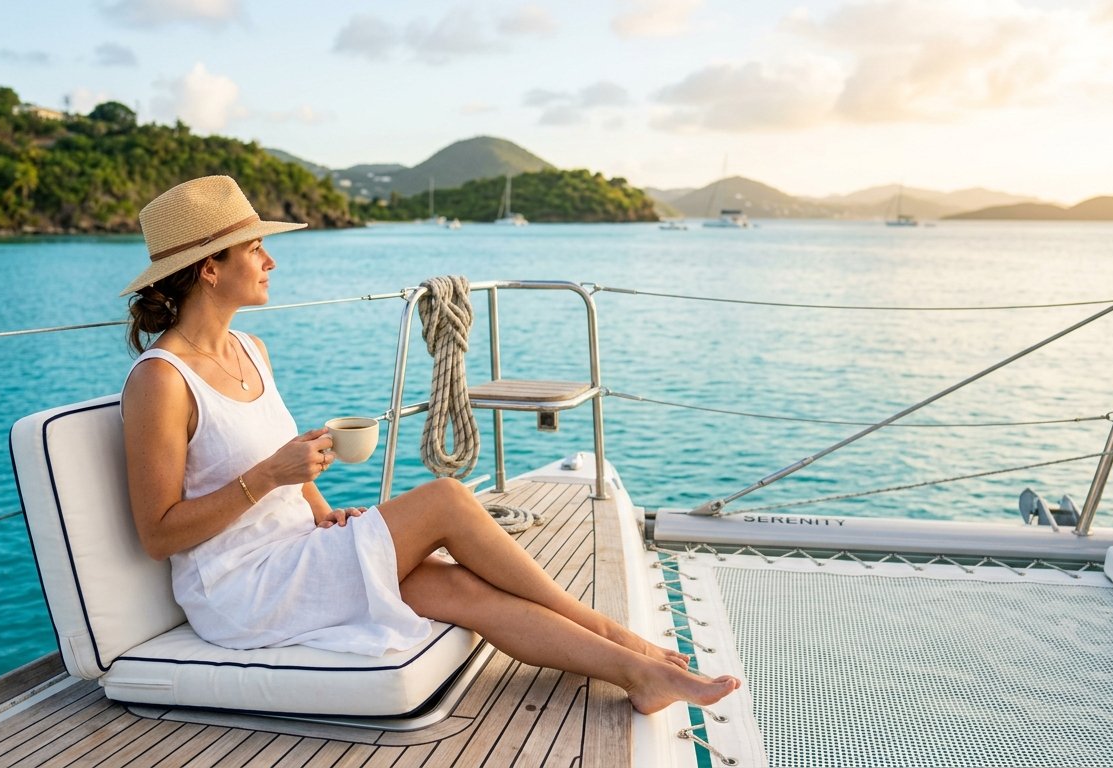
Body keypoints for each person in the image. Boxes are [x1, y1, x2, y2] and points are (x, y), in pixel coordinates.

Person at [119, 175, 740, 715]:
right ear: (210, 267)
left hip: (297, 550)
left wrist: (322, 509)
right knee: (445, 498)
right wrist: (271, 478)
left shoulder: (252, 350)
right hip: (240, 591)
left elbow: (279, 464)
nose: (271, 263)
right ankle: (616, 633)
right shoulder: (162, 380)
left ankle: (641, 674)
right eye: (256, 249)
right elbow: (159, 534)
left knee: (461, 591)